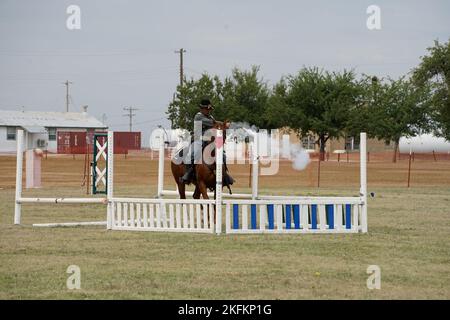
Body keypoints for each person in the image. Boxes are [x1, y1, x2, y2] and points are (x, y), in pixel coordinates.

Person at [181, 99, 234, 187]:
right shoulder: (198, 116)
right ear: (202, 109)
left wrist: (223, 125)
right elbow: (213, 124)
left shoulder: (211, 117)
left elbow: (215, 125)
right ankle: (188, 174)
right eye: (207, 109)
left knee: (222, 155)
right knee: (193, 154)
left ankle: (225, 175)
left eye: (209, 109)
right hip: (198, 139)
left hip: (209, 140)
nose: (209, 111)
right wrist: (224, 124)